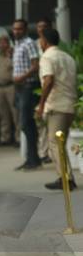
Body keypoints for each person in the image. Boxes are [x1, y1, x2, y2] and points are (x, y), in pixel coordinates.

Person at [36, 28, 78, 190]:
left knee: (55, 143)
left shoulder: (47, 57)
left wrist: (41, 105)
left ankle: (65, 178)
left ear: (45, 41)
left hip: (57, 106)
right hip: (70, 105)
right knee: (60, 143)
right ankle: (67, 177)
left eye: (40, 39)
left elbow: (48, 80)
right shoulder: (68, 57)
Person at [12, 19, 41, 170]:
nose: (16, 31)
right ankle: (32, 158)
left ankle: (33, 158)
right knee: (26, 123)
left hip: (28, 85)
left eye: (19, 29)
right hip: (19, 88)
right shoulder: (17, 44)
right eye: (15, 29)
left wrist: (22, 77)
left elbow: (36, 65)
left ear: (25, 30)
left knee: (25, 123)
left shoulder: (29, 43)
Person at [0, 34, 19, 146]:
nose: (2, 45)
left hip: (11, 86)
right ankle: (5, 138)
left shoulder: (13, 54)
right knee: (3, 114)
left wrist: (11, 56)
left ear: (8, 43)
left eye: (4, 42)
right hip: (0, 87)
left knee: (15, 113)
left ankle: (18, 138)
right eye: (0, 43)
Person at [36, 17, 53, 164]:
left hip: (50, 92)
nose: (41, 29)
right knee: (41, 123)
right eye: (39, 26)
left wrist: (42, 102)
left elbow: (49, 79)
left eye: (44, 26)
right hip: (39, 88)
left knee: (49, 126)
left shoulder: (51, 50)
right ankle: (43, 152)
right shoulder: (35, 44)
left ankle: (48, 153)